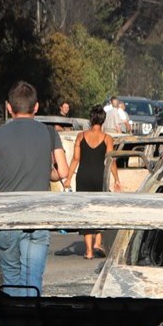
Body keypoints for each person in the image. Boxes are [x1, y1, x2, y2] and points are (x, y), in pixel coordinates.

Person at [0, 81, 70, 297]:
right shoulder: (49, 133)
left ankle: (13, 325)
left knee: (12, 283)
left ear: (8, 107)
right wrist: (42, 174)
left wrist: (7, 180)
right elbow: (62, 172)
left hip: (7, 219)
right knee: (33, 283)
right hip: (37, 218)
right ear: (36, 107)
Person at [72, 106, 120, 259]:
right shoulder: (107, 138)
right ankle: (97, 242)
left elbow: (76, 159)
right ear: (103, 120)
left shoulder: (80, 136)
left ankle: (89, 251)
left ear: (90, 119)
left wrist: (67, 179)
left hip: (83, 176)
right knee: (99, 210)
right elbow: (111, 161)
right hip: (100, 176)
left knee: (85, 212)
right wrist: (117, 179)